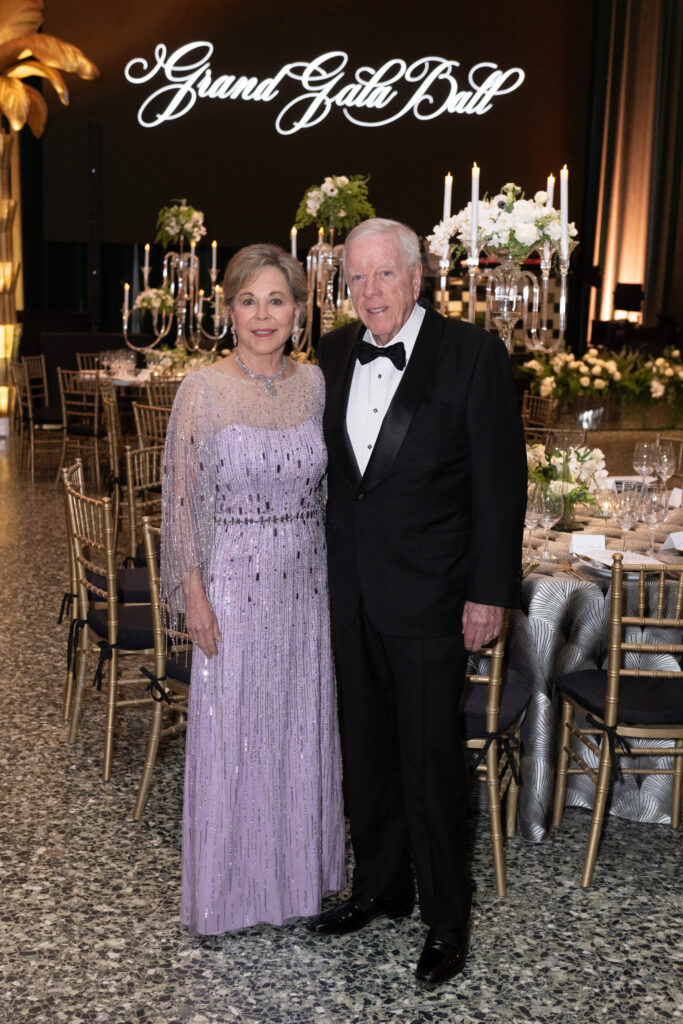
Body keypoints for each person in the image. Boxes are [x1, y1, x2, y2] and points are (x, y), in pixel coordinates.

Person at [307, 218, 527, 984]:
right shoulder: (332, 353)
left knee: (432, 761)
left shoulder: (472, 355)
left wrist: (488, 592)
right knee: (364, 749)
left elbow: (500, 487)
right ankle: (379, 886)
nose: (369, 292)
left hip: (434, 597)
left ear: (417, 276)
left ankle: (445, 918)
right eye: (356, 279)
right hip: (351, 590)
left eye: (383, 276)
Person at [161, 243, 344, 934]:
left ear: (299, 310)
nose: (262, 314)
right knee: (234, 729)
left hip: (307, 581)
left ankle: (296, 880)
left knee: (299, 726)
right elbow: (179, 504)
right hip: (232, 579)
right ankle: (229, 890)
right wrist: (195, 595)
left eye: (276, 300)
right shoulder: (201, 389)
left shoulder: (317, 385)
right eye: (248, 300)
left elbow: (331, 491)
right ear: (227, 309)